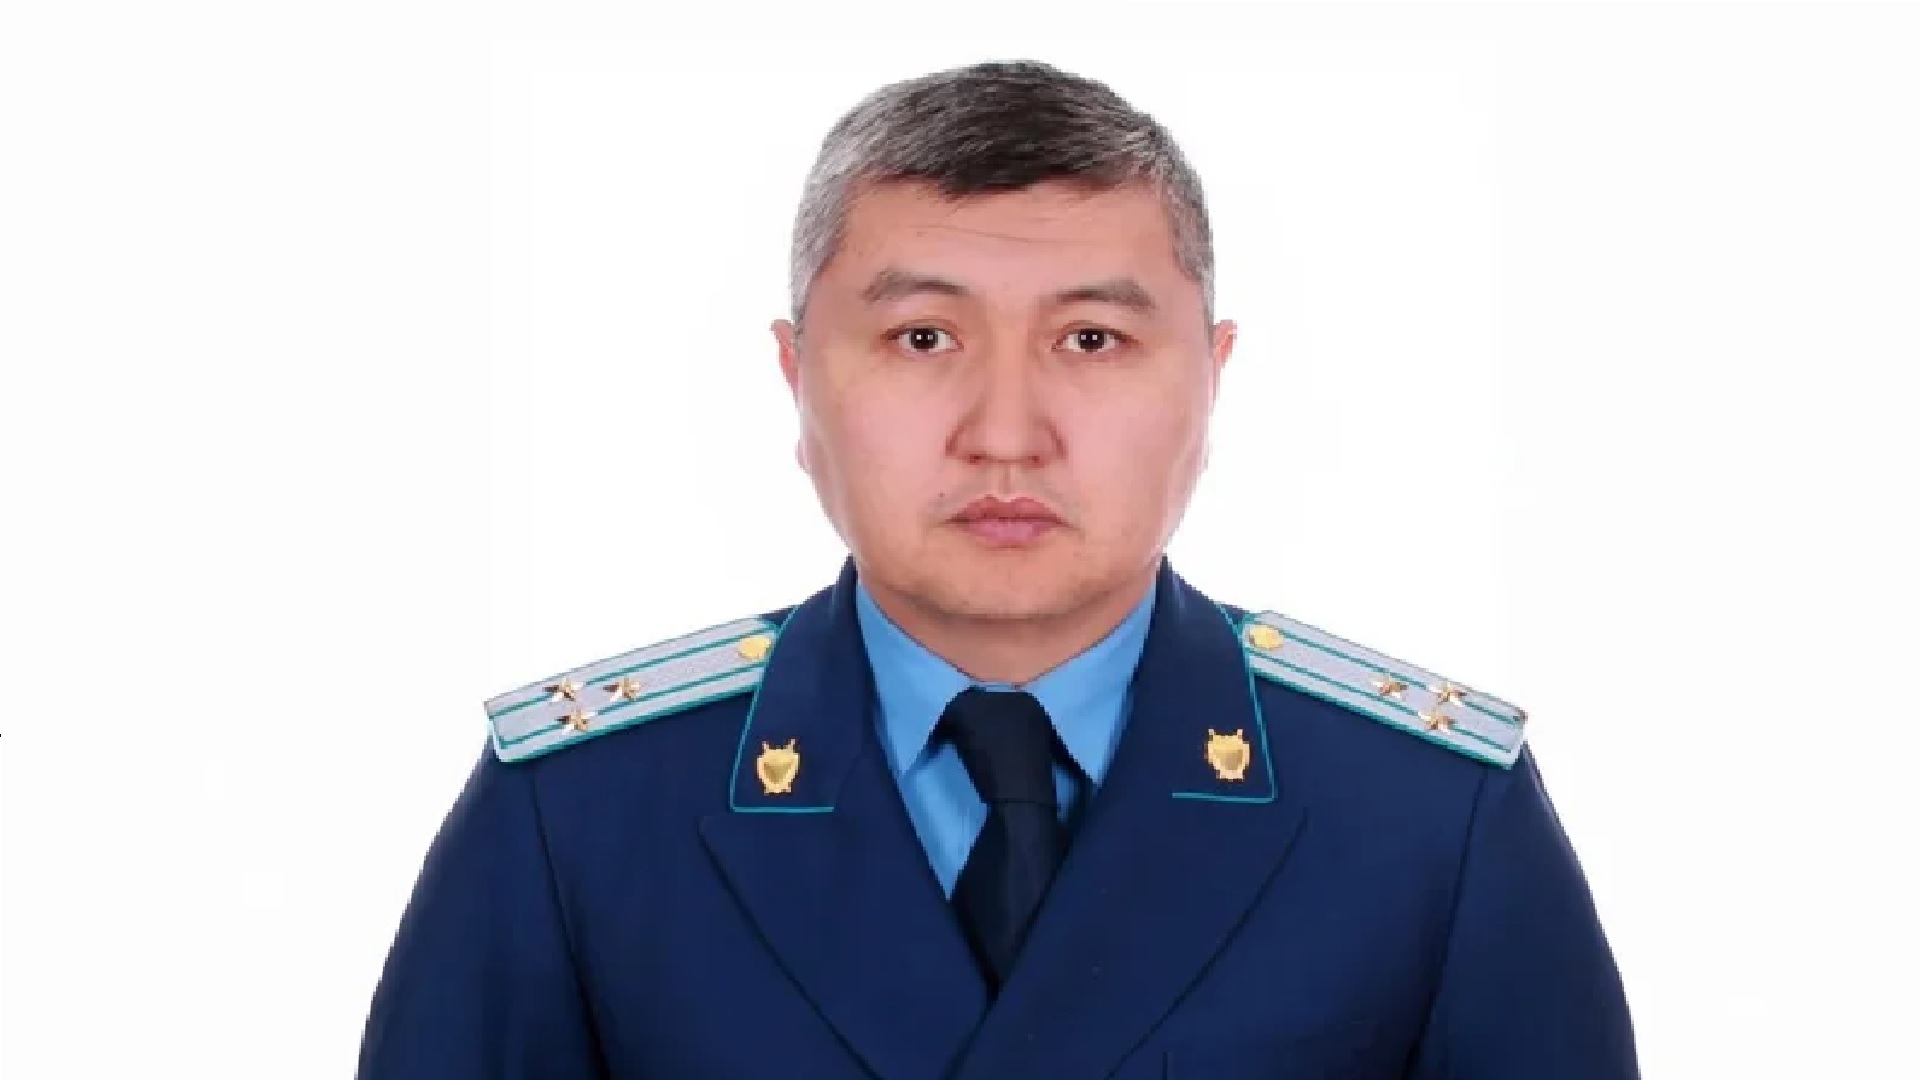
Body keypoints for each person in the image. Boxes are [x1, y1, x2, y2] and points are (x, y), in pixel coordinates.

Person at [357, 59, 1638, 1079]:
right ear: (799, 380)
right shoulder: (581, 814)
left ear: (1211, 378)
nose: (1007, 433)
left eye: (1092, 339)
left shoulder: (1427, 820)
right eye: (924, 337)